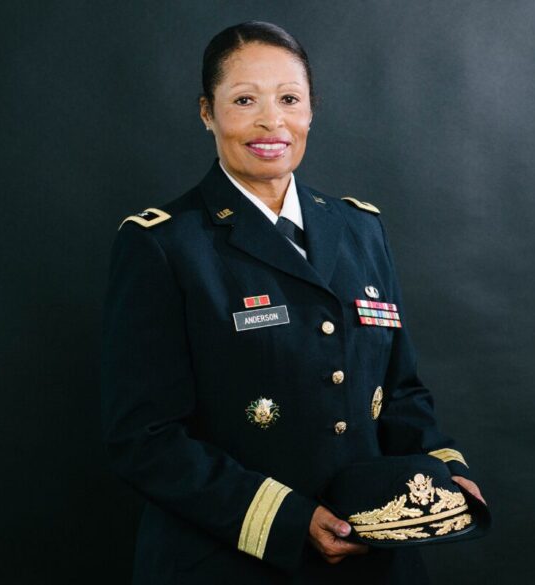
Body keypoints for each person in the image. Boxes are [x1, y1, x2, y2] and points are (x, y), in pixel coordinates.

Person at [100, 21, 484, 585]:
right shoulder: (164, 244)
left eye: (288, 99)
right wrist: (289, 520)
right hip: (231, 558)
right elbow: (145, 439)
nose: (271, 121)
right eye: (244, 100)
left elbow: (400, 390)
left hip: (373, 559)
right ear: (207, 112)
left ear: (310, 111)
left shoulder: (360, 229)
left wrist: (444, 471)